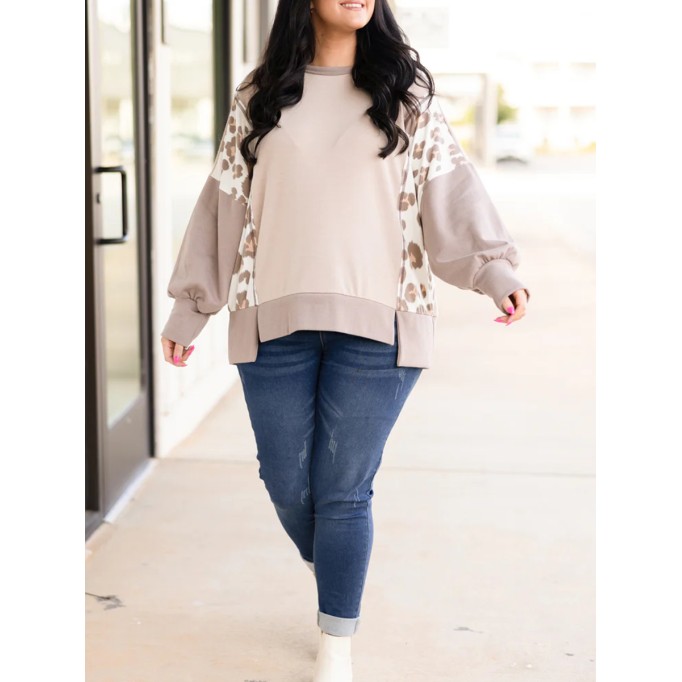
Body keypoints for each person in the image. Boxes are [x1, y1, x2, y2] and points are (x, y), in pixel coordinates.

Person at [160, 1, 530, 679]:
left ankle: (337, 640)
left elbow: (451, 196)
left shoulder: (406, 96)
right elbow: (223, 206)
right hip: (272, 320)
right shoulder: (259, 96)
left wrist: (494, 272)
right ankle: (334, 560)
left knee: (344, 492)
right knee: (284, 481)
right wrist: (192, 308)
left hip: (381, 327)